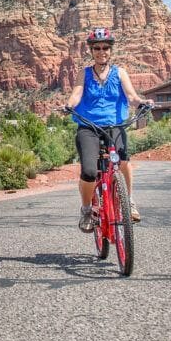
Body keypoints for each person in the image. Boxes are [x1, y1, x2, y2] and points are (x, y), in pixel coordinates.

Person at [65, 27, 153, 232]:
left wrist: (140, 102)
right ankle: (87, 209)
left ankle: (128, 201)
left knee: (123, 161)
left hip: (115, 126)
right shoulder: (84, 73)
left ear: (111, 50)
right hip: (89, 127)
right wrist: (69, 105)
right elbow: (76, 95)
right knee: (88, 171)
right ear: (91, 50)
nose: (101, 51)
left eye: (105, 47)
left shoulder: (120, 72)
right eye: (97, 48)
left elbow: (131, 96)